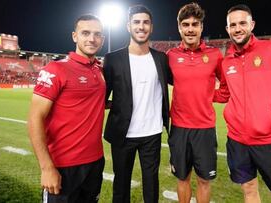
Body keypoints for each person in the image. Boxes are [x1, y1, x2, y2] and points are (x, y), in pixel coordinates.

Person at [214, 4, 271, 203]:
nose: (238, 28)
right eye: (233, 25)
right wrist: (198, 93)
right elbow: (224, 94)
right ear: (227, 29)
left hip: (268, 141)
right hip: (237, 141)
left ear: (252, 24)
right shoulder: (227, 61)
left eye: (242, 23)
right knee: (249, 191)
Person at [27, 14, 106, 202]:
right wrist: (46, 168)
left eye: (97, 34)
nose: (92, 39)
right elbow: (34, 119)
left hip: (95, 162)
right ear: (74, 36)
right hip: (63, 164)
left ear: (102, 39)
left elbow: (92, 100)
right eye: (85, 33)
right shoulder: (56, 69)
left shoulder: (98, 69)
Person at [103, 5, 170, 203]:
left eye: (146, 22)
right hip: (123, 134)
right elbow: (101, 96)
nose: (141, 26)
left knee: (151, 185)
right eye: (137, 22)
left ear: (151, 26)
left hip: (152, 133)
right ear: (128, 26)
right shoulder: (113, 59)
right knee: (121, 185)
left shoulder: (161, 58)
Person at [166, 3, 223, 203]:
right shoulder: (171, 56)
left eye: (195, 24)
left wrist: (209, 96)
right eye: (186, 24)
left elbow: (227, 85)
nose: (190, 28)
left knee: (204, 180)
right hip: (179, 129)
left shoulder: (215, 55)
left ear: (201, 27)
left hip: (205, 129)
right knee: (182, 179)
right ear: (179, 27)